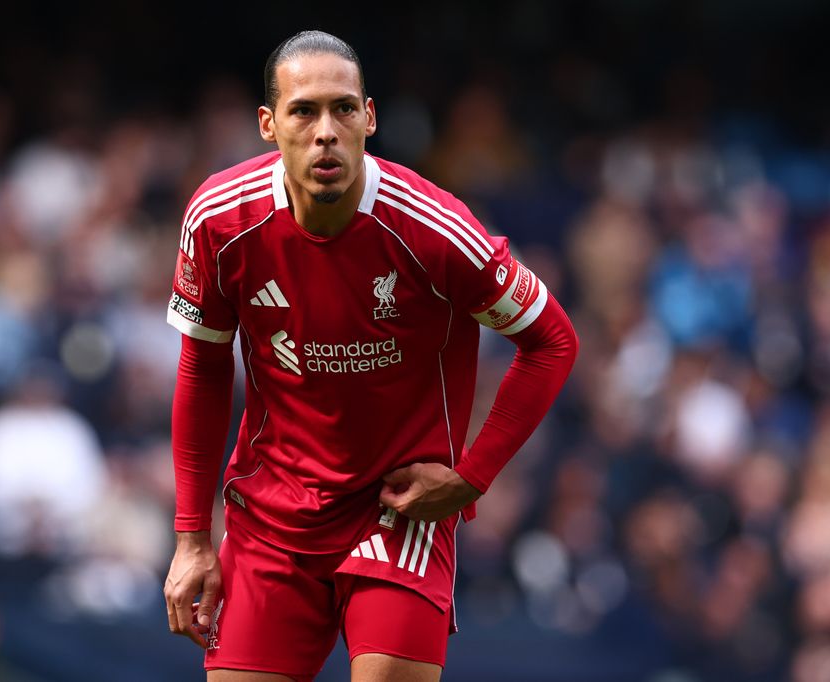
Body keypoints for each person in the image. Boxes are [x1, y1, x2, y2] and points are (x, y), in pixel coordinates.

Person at [163, 30, 578, 682]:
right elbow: (203, 366)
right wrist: (191, 539)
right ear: (269, 125)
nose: (325, 130)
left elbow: (551, 340)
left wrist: (472, 477)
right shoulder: (219, 219)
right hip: (270, 518)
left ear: (370, 117)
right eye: (304, 111)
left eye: (343, 109)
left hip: (397, 513)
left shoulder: (435, 231)